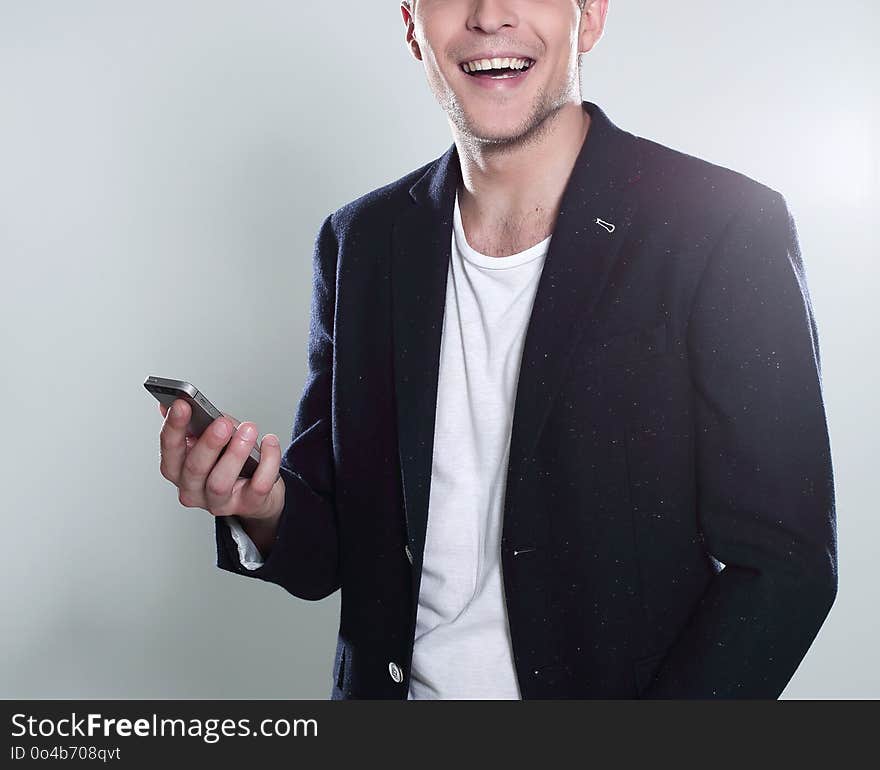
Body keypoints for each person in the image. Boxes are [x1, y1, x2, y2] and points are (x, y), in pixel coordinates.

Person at [156, 0, 838, 699]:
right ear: (412, 25)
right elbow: (332, 555)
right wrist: (258, 507)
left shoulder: (724, 226)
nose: (489, 14)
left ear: (591, 16)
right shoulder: (361, 241)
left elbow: (786, 570)